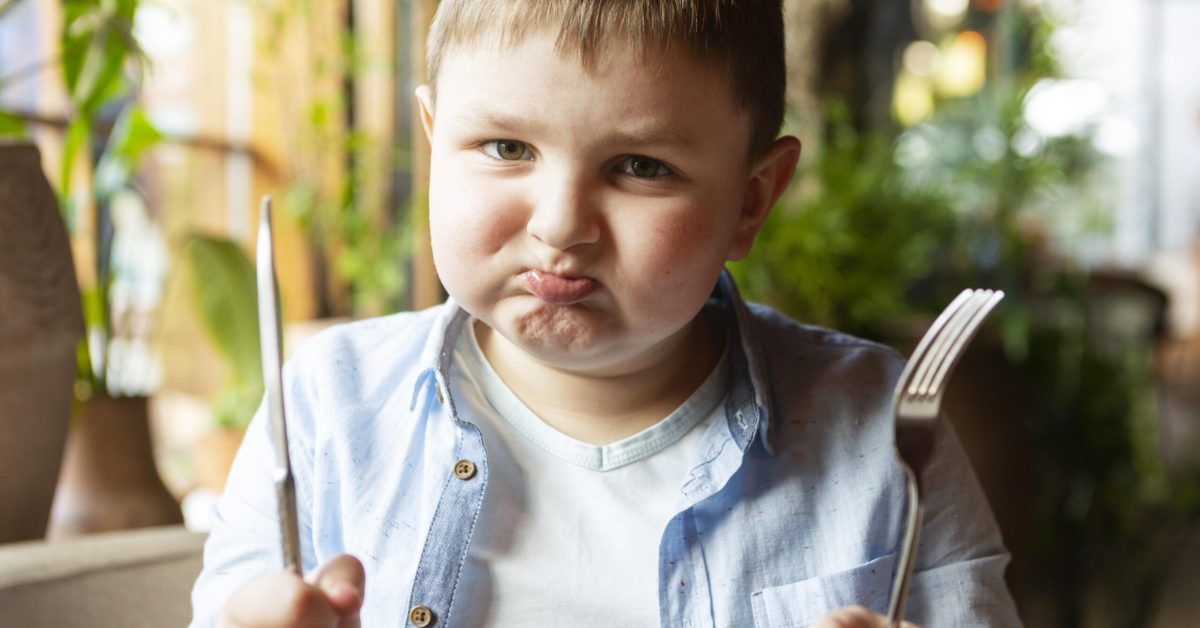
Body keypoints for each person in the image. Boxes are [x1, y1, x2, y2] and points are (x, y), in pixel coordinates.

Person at [191, 1, 1021, 626]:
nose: (559, 224)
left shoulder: (886, 433)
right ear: (434, 139)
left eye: (638, 166)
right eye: (507, 149)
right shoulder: (327, 411)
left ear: (750, 199)